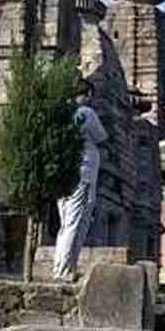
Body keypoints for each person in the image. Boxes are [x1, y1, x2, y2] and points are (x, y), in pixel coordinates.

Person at [54, 79, 108, 281]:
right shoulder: (85, 113)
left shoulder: (62, 114)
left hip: (66, 174)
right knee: (76, 222)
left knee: (66, 223)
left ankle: (62, 267)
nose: (91, 99)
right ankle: (64, 270)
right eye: (89, 95)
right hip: (83, 173)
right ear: (84, 95)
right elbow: (102, 136)